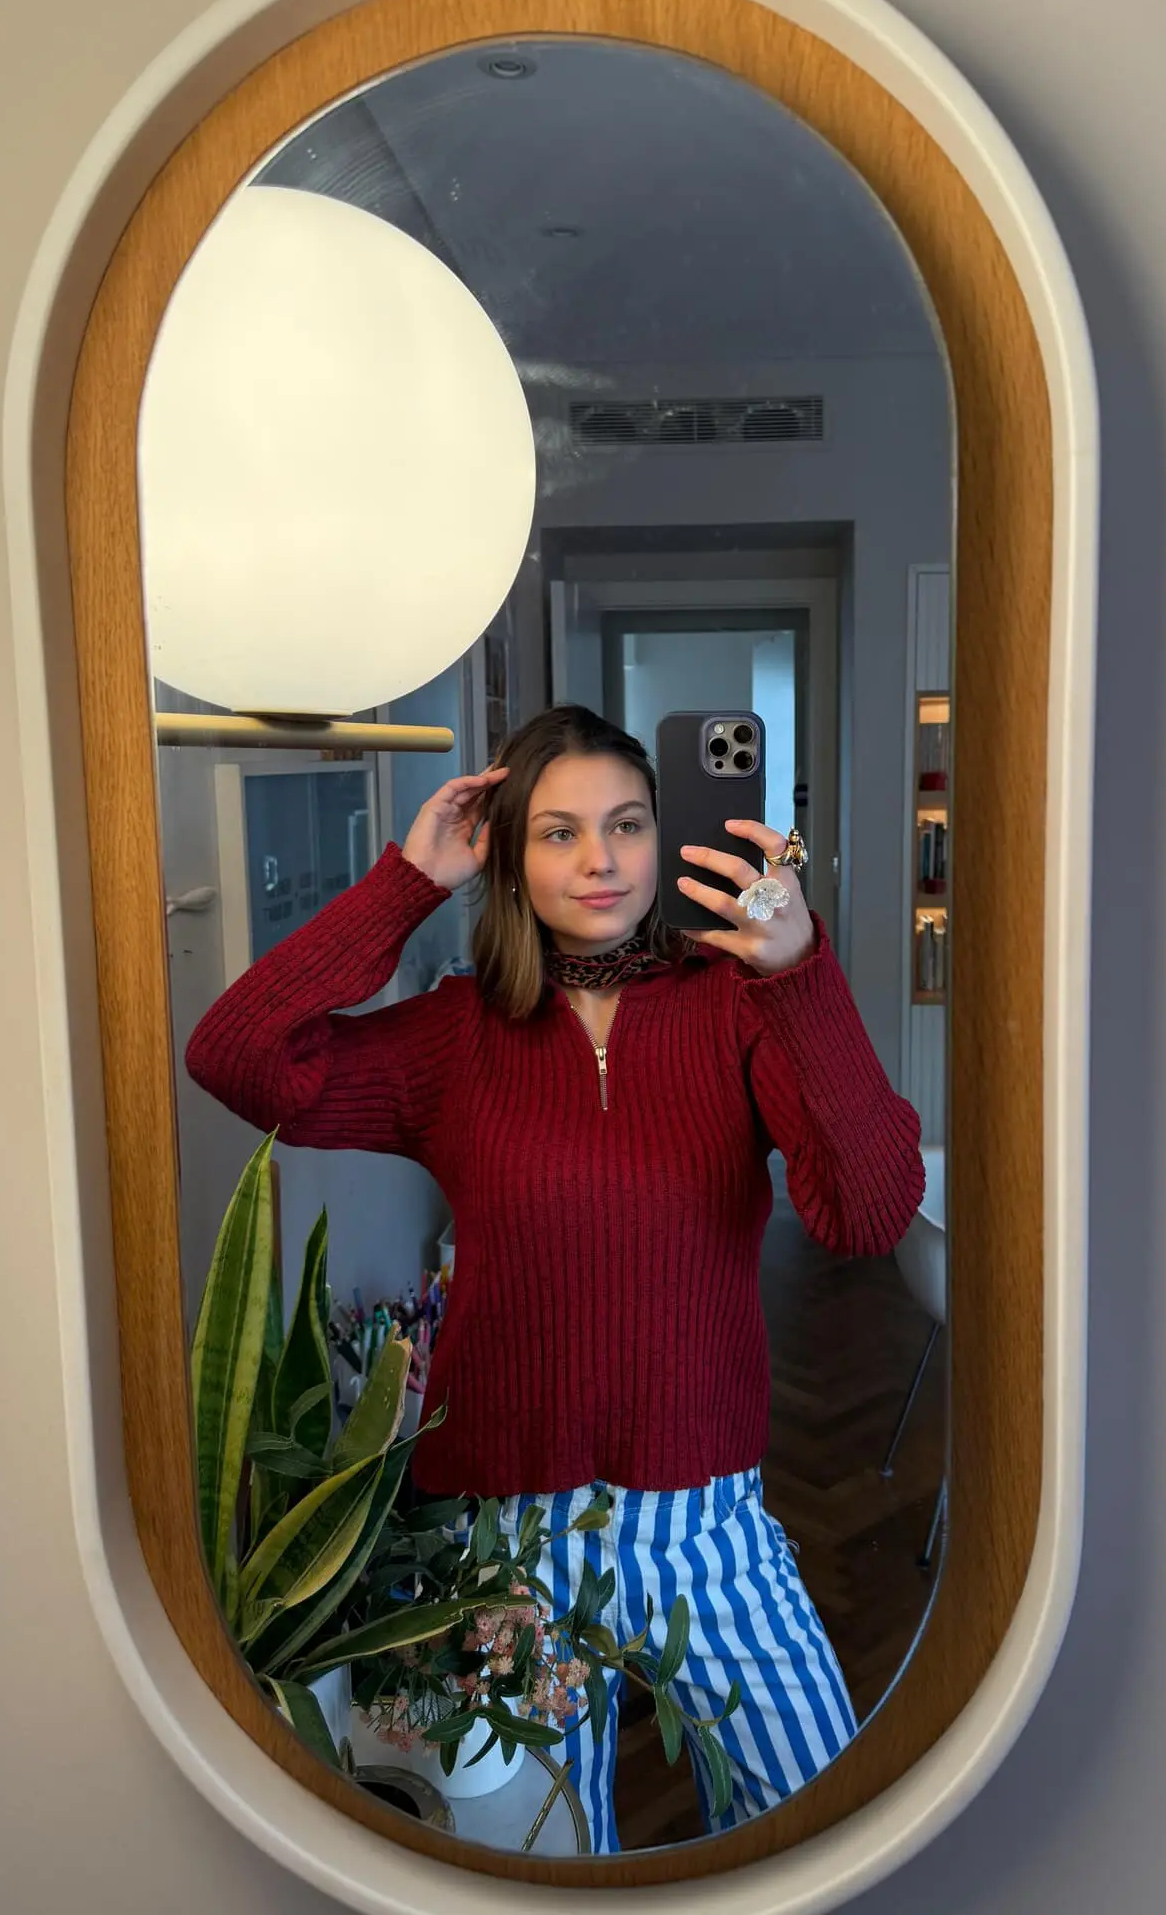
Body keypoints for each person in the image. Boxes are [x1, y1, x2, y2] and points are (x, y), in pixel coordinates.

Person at [186, 703, 925, 1851]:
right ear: (509, 858)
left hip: (706, 1524)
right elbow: (235, 1052)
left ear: (660, 836)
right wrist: (404, 884)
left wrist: (798, 972)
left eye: (627, 824)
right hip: (503, 1548)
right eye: (559, 831)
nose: (600, 859)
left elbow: (872, 1211)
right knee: (543, 1860)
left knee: (822, 1828)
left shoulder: (737, 1005)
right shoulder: (453, 1036)